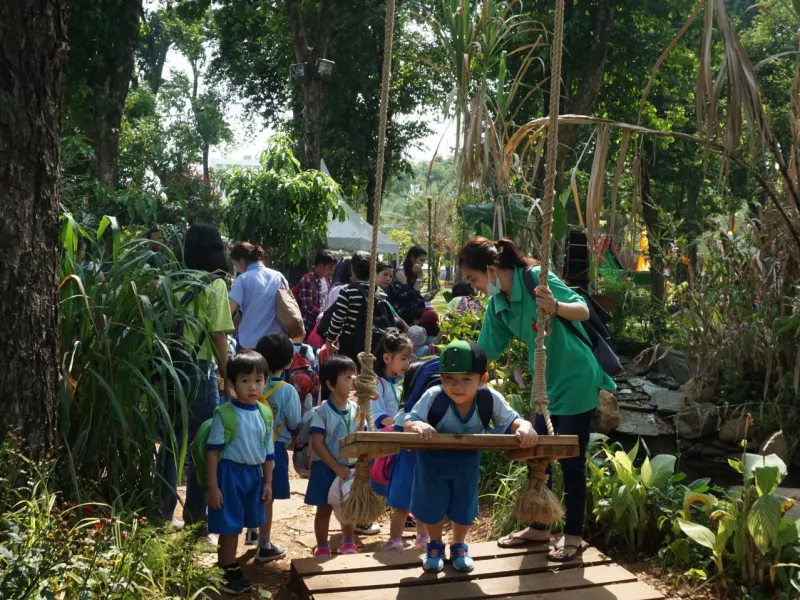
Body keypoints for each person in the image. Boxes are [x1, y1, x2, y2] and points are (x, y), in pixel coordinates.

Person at [457, 237, 616, 562]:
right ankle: (540, 529)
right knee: (536, 455)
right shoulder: (498, 304)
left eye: (473, 279)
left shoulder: (535, 277)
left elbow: (583, 310)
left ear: (490, 269)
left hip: (576, 377)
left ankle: (573, 536)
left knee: (571, 459)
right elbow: (486, 351)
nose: (474, 288)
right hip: (545, 385)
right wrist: (451, 372)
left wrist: (554, 307)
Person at [405, 340, 537, 572]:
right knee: (432, 504)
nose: (457, 386)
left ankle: (459, 545)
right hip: (431, 463)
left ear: (482, 379)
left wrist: (524, 426)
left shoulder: (488, 399)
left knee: (464, 505)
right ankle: (435, 545)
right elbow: (409, 421)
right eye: (449, 379)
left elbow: (511, 420)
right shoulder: (434, 396)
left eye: (466, 379)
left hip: (466, 462)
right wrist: (417, 425)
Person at [159, 223, 234, 530]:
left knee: (170, 443)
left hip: (170, 368)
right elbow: (218, 336)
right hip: (199, 370)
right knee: (204, 443)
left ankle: (162, 514)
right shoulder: (215, 284)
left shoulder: (172, 280)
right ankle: (195, 517)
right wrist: (228, 378)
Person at [206, 351, 275, 595]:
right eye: (245, 381)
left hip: (253, 476)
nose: (252, 387)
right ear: (233, 384)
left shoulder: (265, 413)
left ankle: (229, 567)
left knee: (242, 522)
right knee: (229, 526)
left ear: (266, 381)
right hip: (229, 475)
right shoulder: (224, 414)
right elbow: (213, 452)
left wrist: (268, 483)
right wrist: (213, 486)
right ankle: (224, 569)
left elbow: (268, 453)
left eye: (258, 380)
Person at [243, 334, 301, 562]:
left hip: (247, 446)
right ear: (289, 362)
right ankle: (264, 545)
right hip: (274, 449)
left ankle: (252, 531)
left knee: (253, 490)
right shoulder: (287, 391)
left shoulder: (250, 386)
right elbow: (295, 422)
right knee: (268, 496)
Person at [305, 355, 361, 557]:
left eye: (354, 376)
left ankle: (348, 541)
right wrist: (336, 468)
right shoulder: (321, 412)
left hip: (350, 468)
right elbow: (318, 444)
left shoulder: (357, 409)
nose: (353, 381)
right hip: (325, 469)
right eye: (347, 377)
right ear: (330, 384)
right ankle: (322, 545)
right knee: (324, 509)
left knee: (348, 507)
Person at [323, 251, 394, 365]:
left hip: (350, 344)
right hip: (373, 342)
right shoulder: (379, 293)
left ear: (352, 269)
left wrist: (329, 340)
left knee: (350, 374)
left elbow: (338, 319)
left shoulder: (347, 291)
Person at [229, 242, 290, 349]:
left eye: (236, 265)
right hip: (277, 344)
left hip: (250, 345)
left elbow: (229, 310)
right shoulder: (279, 276)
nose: (237, 269)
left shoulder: (243, 279)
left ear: (242, 261)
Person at [370, 331, 412, 429]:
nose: (407, 363)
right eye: (403, 358)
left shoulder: (396, 384)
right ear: (387, 358)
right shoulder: (376, 383)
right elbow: (377, 415)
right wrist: (402, 426)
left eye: (408, 359)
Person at [297, 250, 336, 335]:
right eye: (330, 268)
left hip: (322, 326)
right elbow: (308, 306)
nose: (331, 271)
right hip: (309, 327)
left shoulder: (327, 279)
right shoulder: (307, 280)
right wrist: (324, 316)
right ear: (320, 266)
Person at [388, 246, 428, 322]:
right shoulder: (400, 273)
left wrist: (424, 298)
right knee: (427, 314)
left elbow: (415, 296)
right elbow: (410, 296)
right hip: (399, 312)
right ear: (412, 258)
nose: (422, 264)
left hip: (410, 309)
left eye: (424, 261)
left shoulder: (412, 274)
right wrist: (420, 277)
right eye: (421, 260)